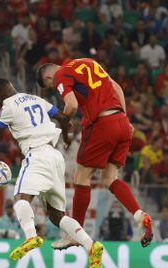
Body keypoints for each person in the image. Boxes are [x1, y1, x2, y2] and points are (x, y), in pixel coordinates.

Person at [0, 78, 103, 268]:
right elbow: (64, 119)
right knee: (57, 216)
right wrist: (65, 138)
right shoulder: (35, 99)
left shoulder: (8, 106)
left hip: (36, 154)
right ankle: (91, 245)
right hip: (56, 156)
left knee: (21, 200)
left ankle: (31, 236)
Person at [36, 59, 153, 250]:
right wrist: (124, 116)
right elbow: (116, 87)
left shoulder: (59, 75)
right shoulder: (88, 62)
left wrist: (63, 125)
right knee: (109, 178)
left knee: (81, 177)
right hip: (122, 122)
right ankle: (140, 215)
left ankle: (75, 233)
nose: (54, 87)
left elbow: (71, 105)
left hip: (101, 124)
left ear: (48, 77)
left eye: (50, 86)